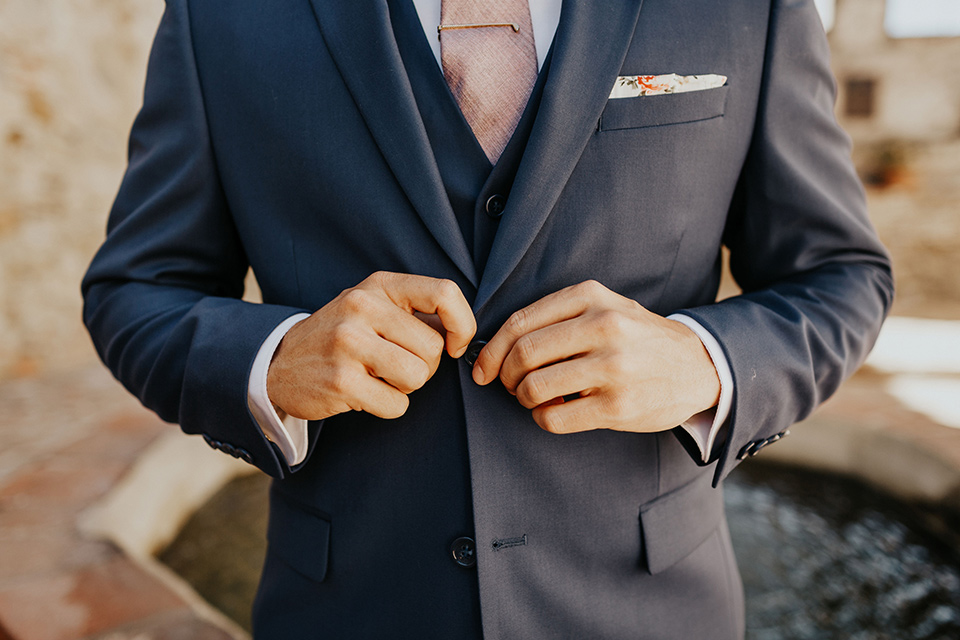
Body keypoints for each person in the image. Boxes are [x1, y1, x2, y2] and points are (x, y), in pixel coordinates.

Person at [82, 0, 893, 637]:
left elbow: (839, 277)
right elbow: (136, 288)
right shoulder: (217, 13)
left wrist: (703, 361)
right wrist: (271, 359)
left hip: (653, 614)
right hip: (351, 613)